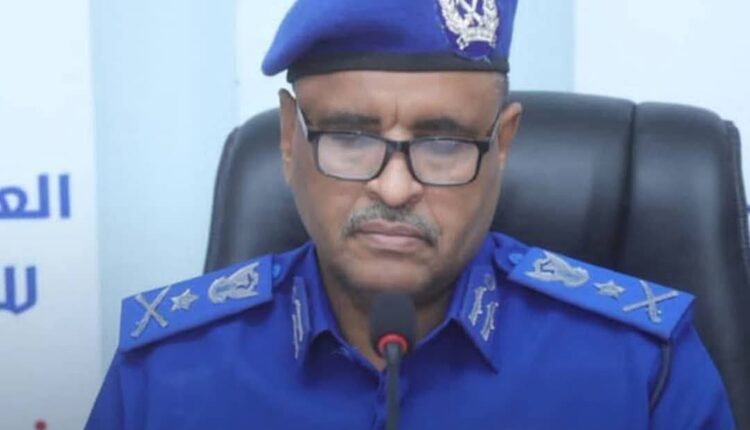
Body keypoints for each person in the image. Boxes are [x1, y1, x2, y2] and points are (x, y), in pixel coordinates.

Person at [86, 0, 736, 428]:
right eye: (350, 137)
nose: (395, 189)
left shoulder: (639, 370)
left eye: (443, 144)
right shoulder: (166, 374)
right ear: (289, 140)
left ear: (503, 145)